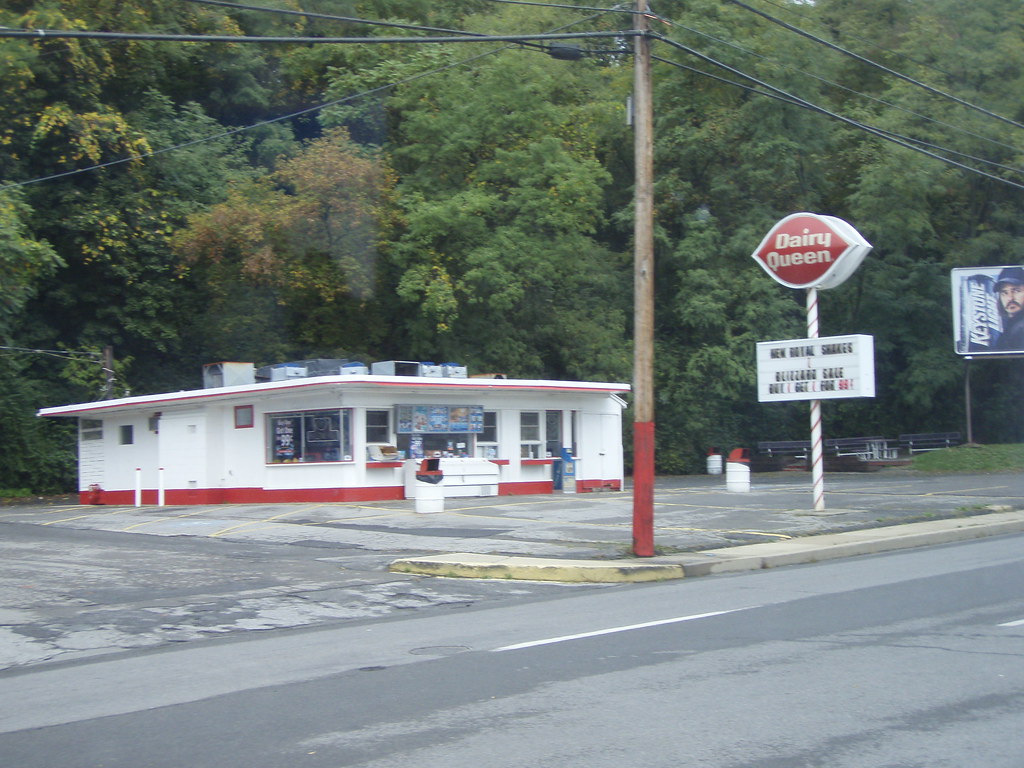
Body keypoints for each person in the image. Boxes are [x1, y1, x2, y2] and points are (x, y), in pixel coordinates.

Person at [993, 266, 1024, 352]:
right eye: (1004, 292)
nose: (1010, 298)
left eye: (1016, 291)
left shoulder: (1020, 328)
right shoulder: (1009, 326)